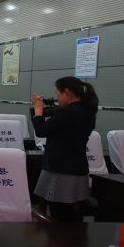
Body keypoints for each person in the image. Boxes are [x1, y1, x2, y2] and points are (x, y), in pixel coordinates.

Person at [31, 76, 99, 221]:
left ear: (67, 92)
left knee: (59, 211)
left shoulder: (66, 112)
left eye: (57, 93)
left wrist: (38, 110)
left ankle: (63, 235)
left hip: (60, 167)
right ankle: (73, 234)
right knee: (70, 210)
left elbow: (41, 130)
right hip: (78, 166)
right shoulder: (88, 111)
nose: (56, 97)